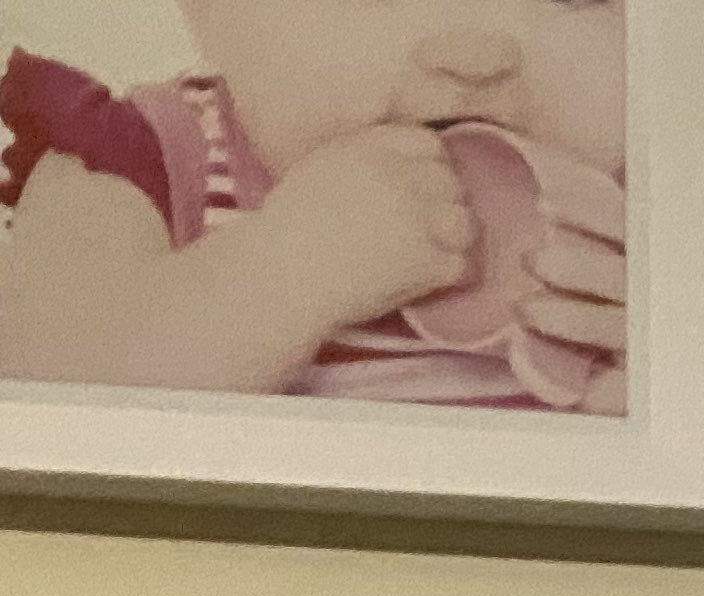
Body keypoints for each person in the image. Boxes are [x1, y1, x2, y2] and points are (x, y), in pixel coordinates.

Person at [0, 0, 626, 406]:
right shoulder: (142, 160)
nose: (477, 54)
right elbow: (44, 385)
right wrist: (290, 271)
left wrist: (673, 393)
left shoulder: (658, 215)